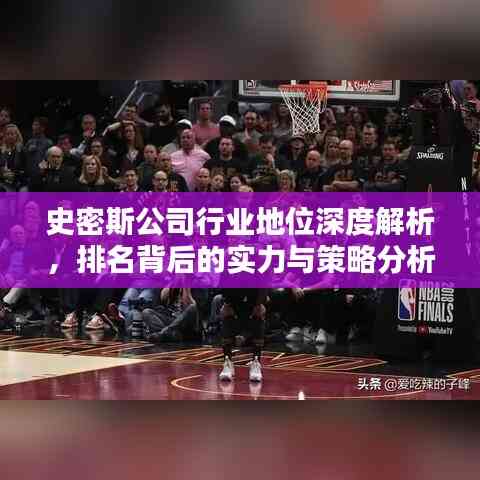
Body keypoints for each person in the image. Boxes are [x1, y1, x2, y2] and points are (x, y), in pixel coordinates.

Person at [218, 289, 268, 382]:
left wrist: (259, 303)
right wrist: (227, 303)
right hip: (234, 298)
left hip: (254, 299)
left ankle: (256, 362)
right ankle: (228, 362)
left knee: (259, 314)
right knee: (226, 314)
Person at [23, 117, 53, 184]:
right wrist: (27, 150)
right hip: (28, 175)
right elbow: (23, 157)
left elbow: (47, 158)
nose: (34, 127)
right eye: (33, 125)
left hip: (40, 177)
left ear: (43, 128)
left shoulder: (48, 143)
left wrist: (42, 170)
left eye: (36, 125)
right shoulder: (29, 142)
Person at [0, 124, 25, 191]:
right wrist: (2, 174)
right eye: (8, 134)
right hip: (3, 183)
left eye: (12, 134)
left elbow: (25, 168)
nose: (10, 136)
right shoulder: (1, 150)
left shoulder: (21, 150)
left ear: (17, 135)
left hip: (18, 182)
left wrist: (15, 174)